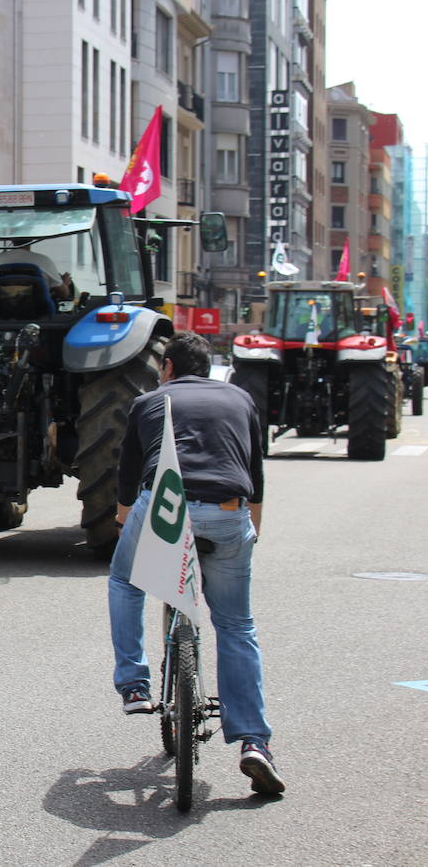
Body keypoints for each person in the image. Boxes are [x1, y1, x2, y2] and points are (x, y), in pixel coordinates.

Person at [108, 331, 284, 795]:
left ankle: (135, 687)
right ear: (209, 369)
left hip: (165, 508)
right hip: (227, 512)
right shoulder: (241, 399)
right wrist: (250, 531)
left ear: (166, 368)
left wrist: (126, 517)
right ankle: (254, 743)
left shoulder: (148, 403)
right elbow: (255, 472)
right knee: (236, 625)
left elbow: (128, 475)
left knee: (125, 582)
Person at [0, 247, 75, 302]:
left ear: (11, 238)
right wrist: (64, 283)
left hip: (4, 313)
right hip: (39, 314)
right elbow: (63, 294)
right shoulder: (44, 260)